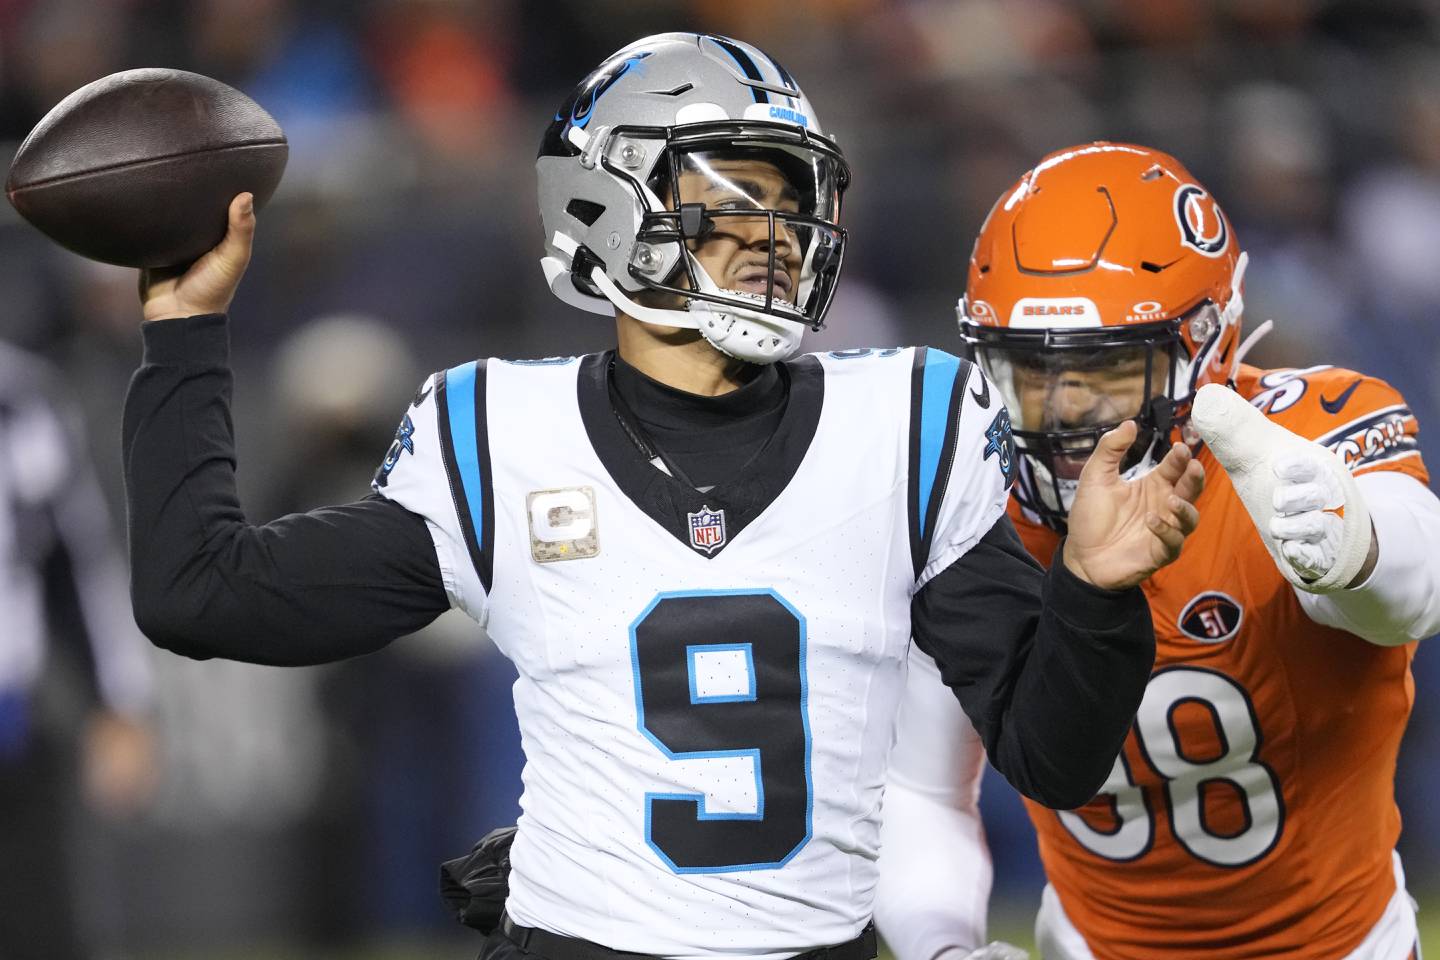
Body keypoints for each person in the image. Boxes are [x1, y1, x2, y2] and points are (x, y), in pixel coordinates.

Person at [122, 38, 1202, 960]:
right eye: (730, 203)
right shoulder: (501, 433)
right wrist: (182, 335)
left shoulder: (910, 421)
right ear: (604, 206)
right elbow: (201, 596)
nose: (773, 239)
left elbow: (1056, 759)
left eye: (787, 205)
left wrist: (1095, 594)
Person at [877, 141, 1440, 960]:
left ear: (1210, 343)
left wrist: (1352, 541)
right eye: (1031, 372)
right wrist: (940, 945)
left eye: (1104, 369)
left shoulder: (1299, 434)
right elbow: (918, 783)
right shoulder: (967, 501)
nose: (1063, 417)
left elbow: (1415, 591)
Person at [0, 339, 156, 960]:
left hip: (10, 729)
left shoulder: (21, 398)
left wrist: (119, 700)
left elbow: (76, 562)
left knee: (42, 931)